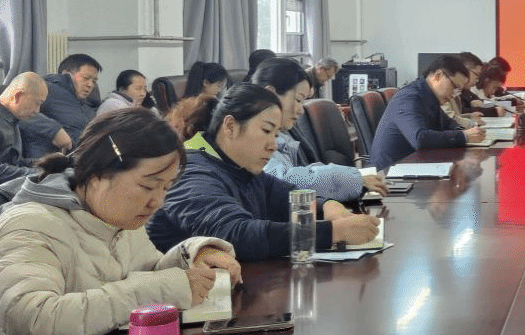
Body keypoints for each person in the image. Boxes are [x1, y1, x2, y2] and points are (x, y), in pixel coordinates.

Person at [0, 108, 242, 335]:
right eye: (148, 186)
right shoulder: (31, 223)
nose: (158, 202)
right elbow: (34, 324)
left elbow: (150, 273)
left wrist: (194, 256)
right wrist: (163, 288)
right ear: (97, 175)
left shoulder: (118, 217)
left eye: (166, 188)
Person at [147, 84, 379, 261]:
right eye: (266, 131)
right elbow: (235, 235)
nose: (273, 145)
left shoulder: (238, 166)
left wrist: (326, 206)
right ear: (230, 126)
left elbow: (286, 195)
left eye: (276, 134)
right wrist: (334, 232)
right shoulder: (189, 172)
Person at [251, 58, 387, 201]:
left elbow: (303, 170)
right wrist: (354, 179)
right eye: (298, 100)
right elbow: (282, 180)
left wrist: (353, 177)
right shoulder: (255, 133)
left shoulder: (284, 131)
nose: (301, 110)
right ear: (271, 94)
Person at [368, 55, 485, 171]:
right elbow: (420, 139)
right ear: (438, 76)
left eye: (458, 90)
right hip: (392, 173)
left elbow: (449, 123)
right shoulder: (409, 98)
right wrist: (463, 136)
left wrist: (463, 131)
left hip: (415, 164)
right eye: (454, 87)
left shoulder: (429, 96)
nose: (454, 95)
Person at [20, 53, 102, 159]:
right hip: (49, 162)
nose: (90, 84)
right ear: (66, 73)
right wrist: (54, 130)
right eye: (86, 78)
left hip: (83, 159)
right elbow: (17, 110)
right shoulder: (47, 89)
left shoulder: (87, 105)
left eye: (94, 81)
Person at [446, 52, 485, 128]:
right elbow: (448, 119)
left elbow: (455, 116)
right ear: (465, 70)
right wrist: (472, 123)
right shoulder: (445, 89)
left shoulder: (457, 91)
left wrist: (470, 116)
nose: (477, 80)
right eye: (476, 75)